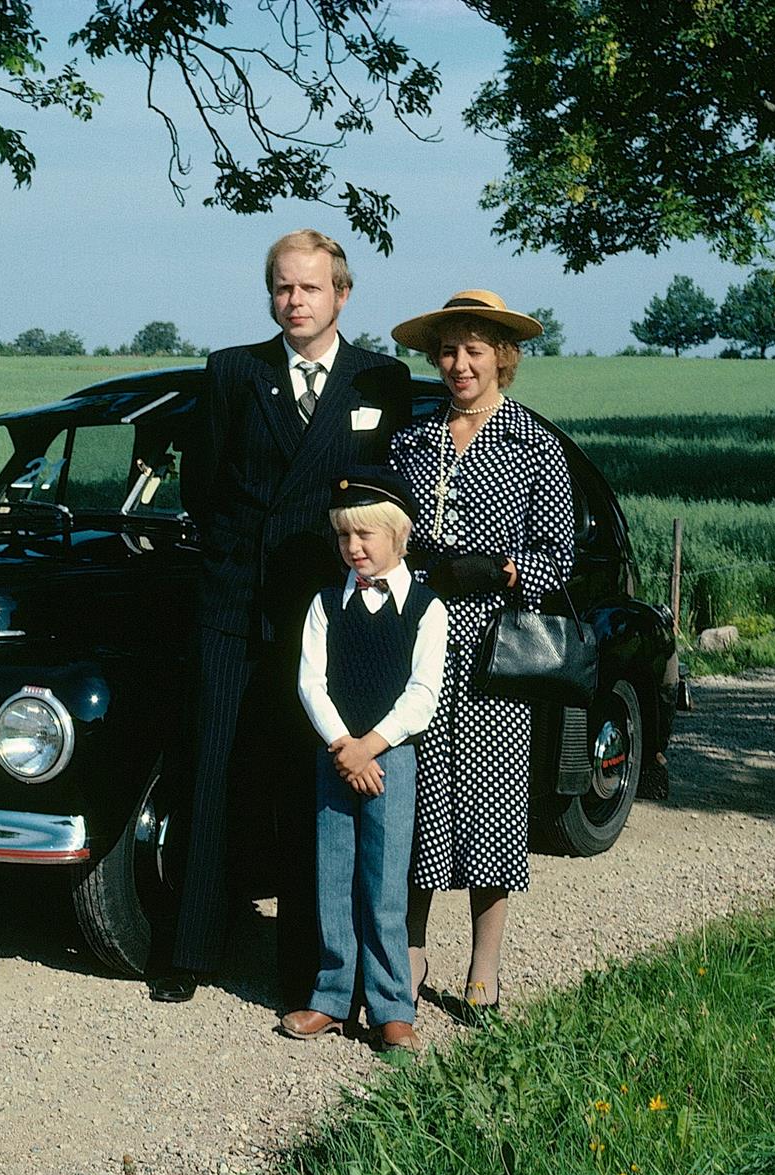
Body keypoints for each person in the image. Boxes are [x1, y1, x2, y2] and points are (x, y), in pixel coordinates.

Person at [150, 230, 413, 1008]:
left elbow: (383, 490)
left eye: (308, 288)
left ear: (342, 294)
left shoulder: (380, 379)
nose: (293, 302)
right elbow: (205, 483)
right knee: (214, 772)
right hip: (235, 604)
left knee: (313, 791)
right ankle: (188, 950)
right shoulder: (235, 371)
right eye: (281, 288)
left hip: (326, 612)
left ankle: (309, 972)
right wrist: (239, 559)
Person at [386, 290, 575, 1021]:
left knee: (492, 809)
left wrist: (498, 569)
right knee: (421, 802)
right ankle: (408, 954)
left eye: (474, 350)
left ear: (503, 355)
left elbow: (557, 559)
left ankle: (484, 968)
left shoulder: (535, 444)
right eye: (448, 351)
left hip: (496, 655)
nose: (459, 365)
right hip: (419, 646)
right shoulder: (413, 440)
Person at [279, 469, 447, 1053]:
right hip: (336, 756)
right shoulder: (326, 604)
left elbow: (422, 695)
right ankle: (330, 996)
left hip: (391, 758)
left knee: (383, 882)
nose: (354, 548)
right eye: (345, 537)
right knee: (334, 873)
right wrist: (343, 749)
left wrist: (368, 747)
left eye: (367, 536)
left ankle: (391, 1007)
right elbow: (311, 684)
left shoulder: (426, 609)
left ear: (399, 536)